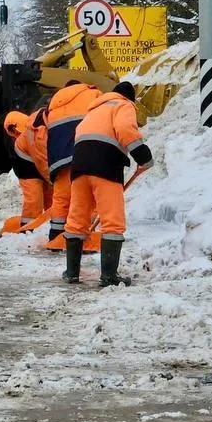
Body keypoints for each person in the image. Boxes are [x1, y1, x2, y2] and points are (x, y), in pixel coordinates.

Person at [63, 81, 153, 287]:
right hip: (105, 166)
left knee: (77, 218)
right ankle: (109, 275)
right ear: (130, 97)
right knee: (112, 220)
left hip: (79, 166)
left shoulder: (94, 110)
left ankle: (71, 272)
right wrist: (143, 156)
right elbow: (125, 129)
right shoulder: (123, 105)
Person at [43, 80, 102, 244]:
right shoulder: (93, 94)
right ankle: (87, 234)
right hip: (87, 149)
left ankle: (55, 237)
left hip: (61, 156)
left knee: (62, 197)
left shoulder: (54, 104)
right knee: (89, 195)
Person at [5, 108, 52, 228]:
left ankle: (51, 223)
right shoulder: (32, 135)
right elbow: (42, 160)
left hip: (39, 168)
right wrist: (52, 178)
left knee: (51, 199)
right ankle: (28, 229)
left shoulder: (38, 130)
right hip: (27, 172)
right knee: (34, 200)